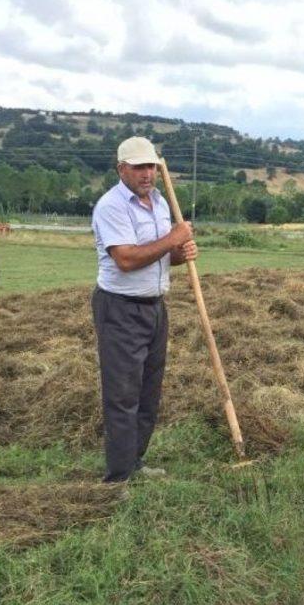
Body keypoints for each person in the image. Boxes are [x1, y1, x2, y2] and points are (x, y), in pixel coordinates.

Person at [91, 136, 198, 484]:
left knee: (148, 392)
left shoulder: (161, 204)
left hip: (155, 308)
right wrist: (174, 238)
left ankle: (135, 461)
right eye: (138, 167)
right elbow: (125, 259)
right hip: (120, 310)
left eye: (151, 166)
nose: (147, 173)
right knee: (122, 395)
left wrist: (180, 254)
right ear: (122, 169)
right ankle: (117, 479)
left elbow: (158, 256)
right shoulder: (111, 207)